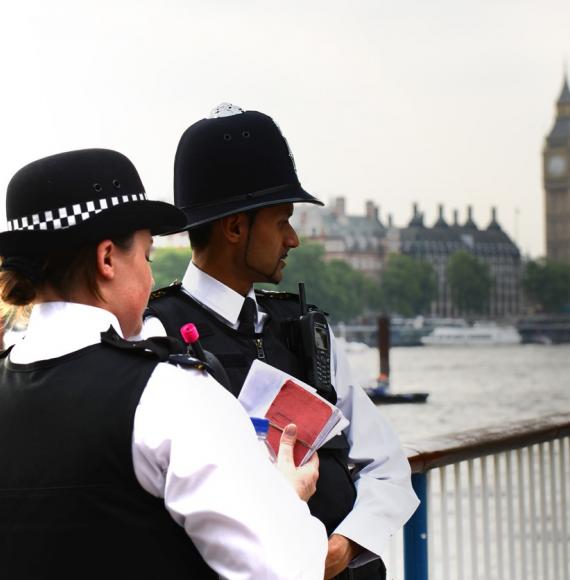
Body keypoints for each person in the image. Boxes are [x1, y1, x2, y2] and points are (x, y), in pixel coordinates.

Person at [0, 148, 327, 579]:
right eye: (146, 256)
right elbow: (285, 568)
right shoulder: (169, 394)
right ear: (107, 259)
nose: (151, 277)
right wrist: (284, 498)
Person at [143, 104, 420, 579]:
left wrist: (339, 551)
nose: (293, 239)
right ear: (235, 228)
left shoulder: (304, 329)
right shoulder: (156, 338)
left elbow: (389, 469)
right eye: (282, 220)